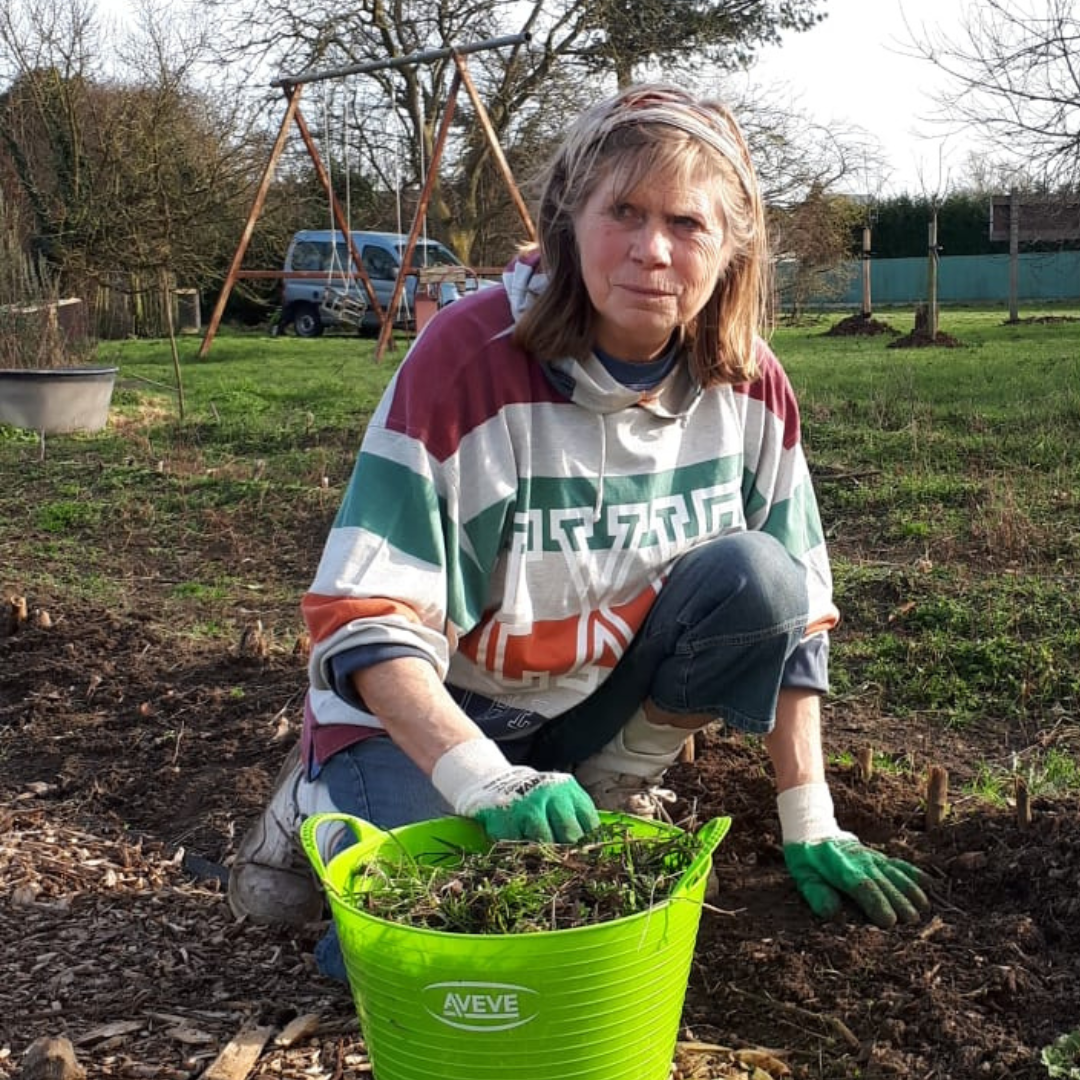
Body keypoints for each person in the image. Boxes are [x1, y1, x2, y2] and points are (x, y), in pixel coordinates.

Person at [229, 82, 930, 977]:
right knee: (446, 948)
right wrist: (482, 779)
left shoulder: (749, 385)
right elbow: (367, 618)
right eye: (623, 212)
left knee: (762, 579)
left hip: (596, 703)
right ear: (568, 217)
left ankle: (608, 786)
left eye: (687, 223)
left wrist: (811, 816)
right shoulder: (468, 357)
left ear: (731, 251)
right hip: (438, 712)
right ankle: (323, 795)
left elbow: (794, 616)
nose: (651, 250)